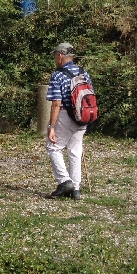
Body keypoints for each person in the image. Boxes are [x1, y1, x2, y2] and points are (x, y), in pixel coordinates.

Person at [46, 42, 91, 200]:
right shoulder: (83, 72)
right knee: (75, 152)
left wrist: (52, 126)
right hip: (83, 116)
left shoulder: (57, 75)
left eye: (55, 56)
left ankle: (65, 181)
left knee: (53, 147)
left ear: (59, 56)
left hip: (65, 115)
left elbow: (56, 103)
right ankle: (76, 190)